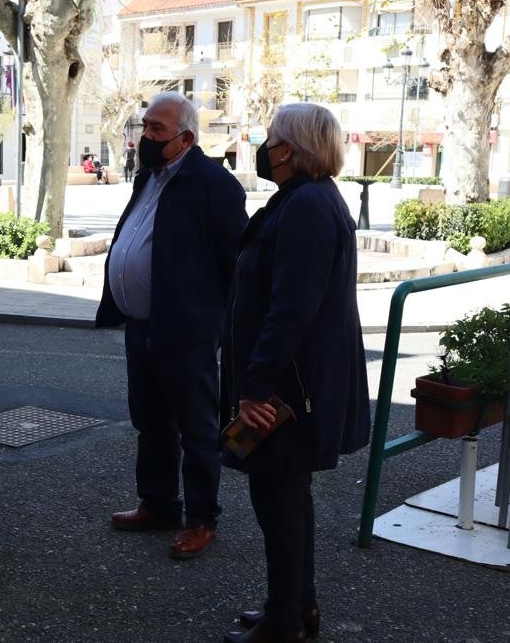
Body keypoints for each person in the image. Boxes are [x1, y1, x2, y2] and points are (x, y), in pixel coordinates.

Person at [220, 103, 370, 643]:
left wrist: (253, 387)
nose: (265, 146)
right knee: (289, 497)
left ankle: (284, 622)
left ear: (292, 148)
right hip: (296, 382)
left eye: (272, 138)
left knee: (277, 500)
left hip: (287, 388)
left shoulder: (307, 206)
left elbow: (290, 309)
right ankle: (296, 608)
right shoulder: (306, 199)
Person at [96, 91, 248, 559]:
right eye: (144, 127)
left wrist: (211, 322)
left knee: (197, 428)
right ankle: (159, 503)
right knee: (151, 423)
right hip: (142, 328)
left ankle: (201, 518)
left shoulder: (213, 184)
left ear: (184, 139)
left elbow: (236, 263)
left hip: (186, 333)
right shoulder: (149, 177)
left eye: (156, 130)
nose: (145, 136)